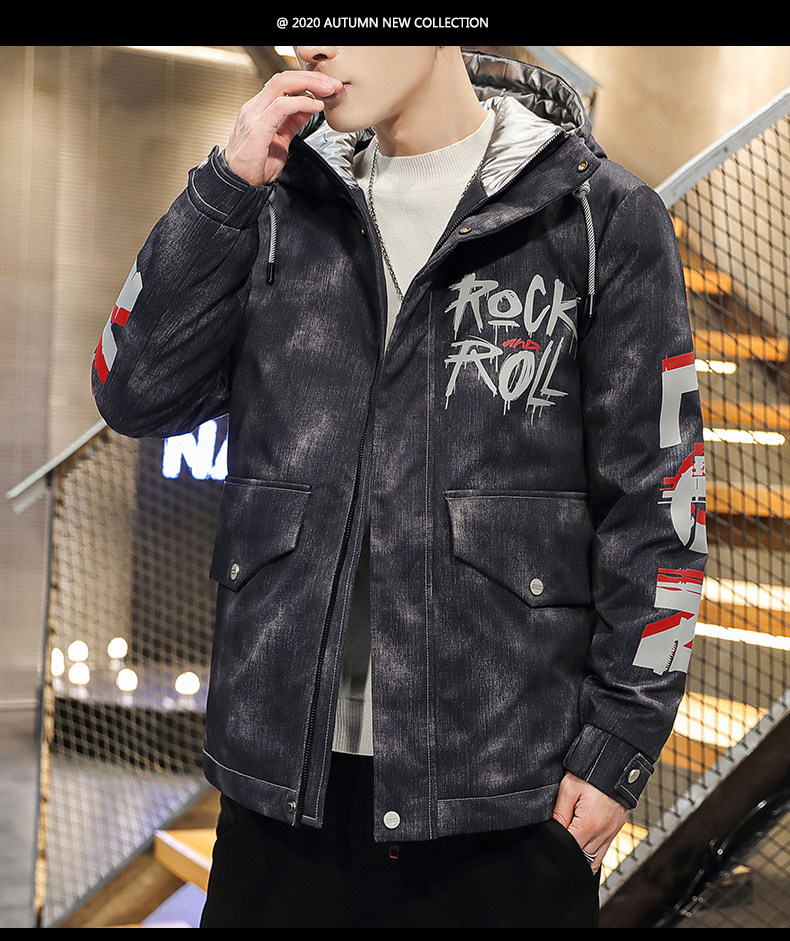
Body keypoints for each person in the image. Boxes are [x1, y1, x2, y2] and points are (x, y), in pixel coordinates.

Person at [91, 46, 706, 927]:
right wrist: (222, 190)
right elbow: (131, 389)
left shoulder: (596, 216)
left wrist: (619, 748)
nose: (311, 40)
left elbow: (660, 509)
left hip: (503, 801)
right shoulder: (275, 206)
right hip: (282, 801)